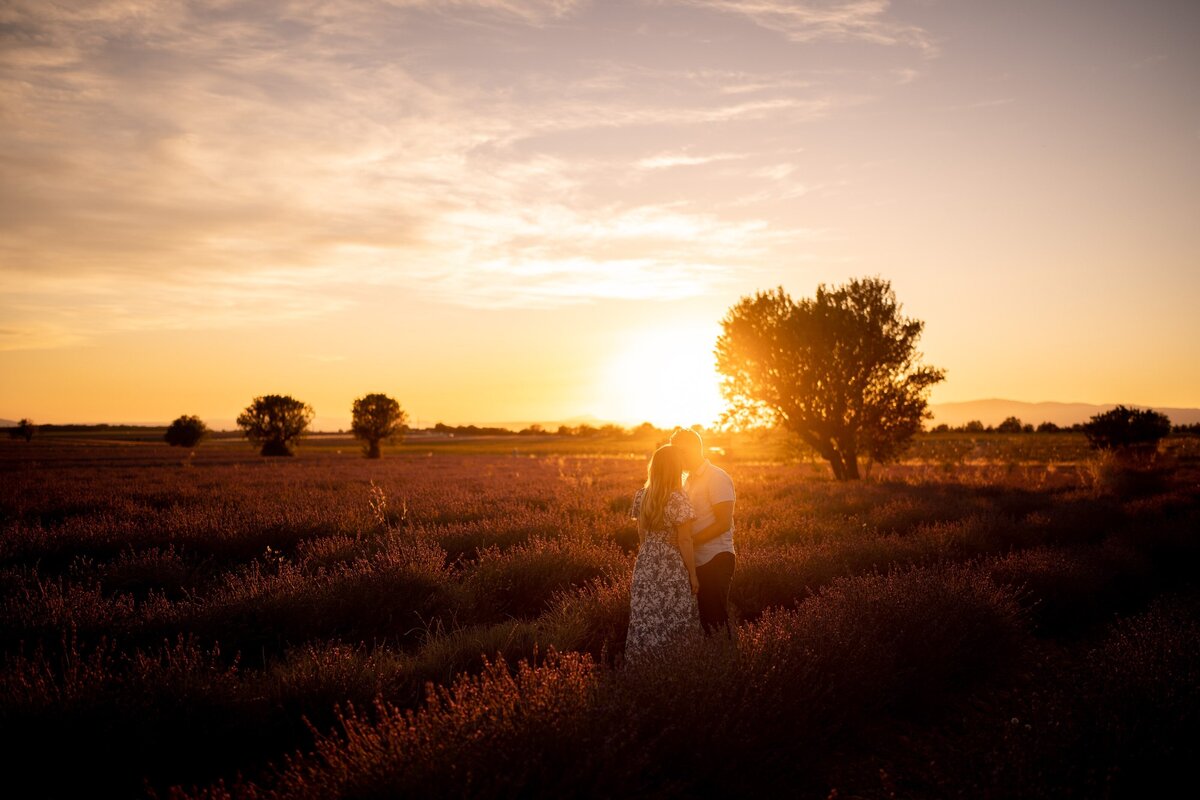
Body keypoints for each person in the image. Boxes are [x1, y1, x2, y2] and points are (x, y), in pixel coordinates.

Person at [625, 444, 701, 664]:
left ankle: (642, 666)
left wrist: (650, 552)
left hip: (646, 562)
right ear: (675, 468)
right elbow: (685, 539)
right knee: (674, 616)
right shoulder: (678, 498)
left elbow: (642, 534)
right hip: (671, 563)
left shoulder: (642, 496)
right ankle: (674, 667)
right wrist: (693, 575)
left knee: (646, 618)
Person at [670, 427, 736, 635]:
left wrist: (689, 541)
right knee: (702, 621)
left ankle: (726, 662)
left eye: (680, 452)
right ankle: (710, 662)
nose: (677, 458)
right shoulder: (685, 480)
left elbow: (724, 523)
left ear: (693, 449)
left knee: (715, 619)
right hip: (695, 560)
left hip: (715, 558)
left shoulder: (717, 477)